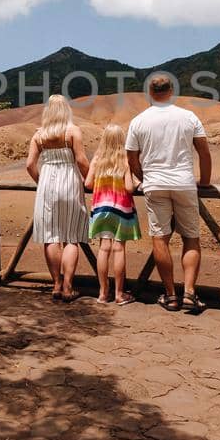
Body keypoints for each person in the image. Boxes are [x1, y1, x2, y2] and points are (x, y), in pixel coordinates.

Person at [126, 73, 212, 314]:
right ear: (171, 91)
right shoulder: (189, 117)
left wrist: (145, 179)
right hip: (184, 183)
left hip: (154, 184)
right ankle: (190, 294)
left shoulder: (138, 121)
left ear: (150, 93)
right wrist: (204, 182)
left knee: (160, 238)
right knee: (191, 238)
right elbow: (204, 152)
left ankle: (171, 295)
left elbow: (131, 159)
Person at [26, 94, 89, 302]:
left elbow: (29, 165)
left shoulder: (39, 135)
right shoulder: (72, 131)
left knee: (51, 236)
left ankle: (56, 284)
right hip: (70, 182)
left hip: (47, 184)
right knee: (71, 236)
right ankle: (68, 287)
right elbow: (81, 160)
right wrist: (90, 181)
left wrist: (41, 181)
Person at [84, 123, 140, 305]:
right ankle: (119, 293)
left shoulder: (97, 159)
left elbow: (88, 184)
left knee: (103, 249)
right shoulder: (124, 161)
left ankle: (102, 292)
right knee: (119, 249)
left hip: (101, 208)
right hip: (121, 209)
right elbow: (130, 188)